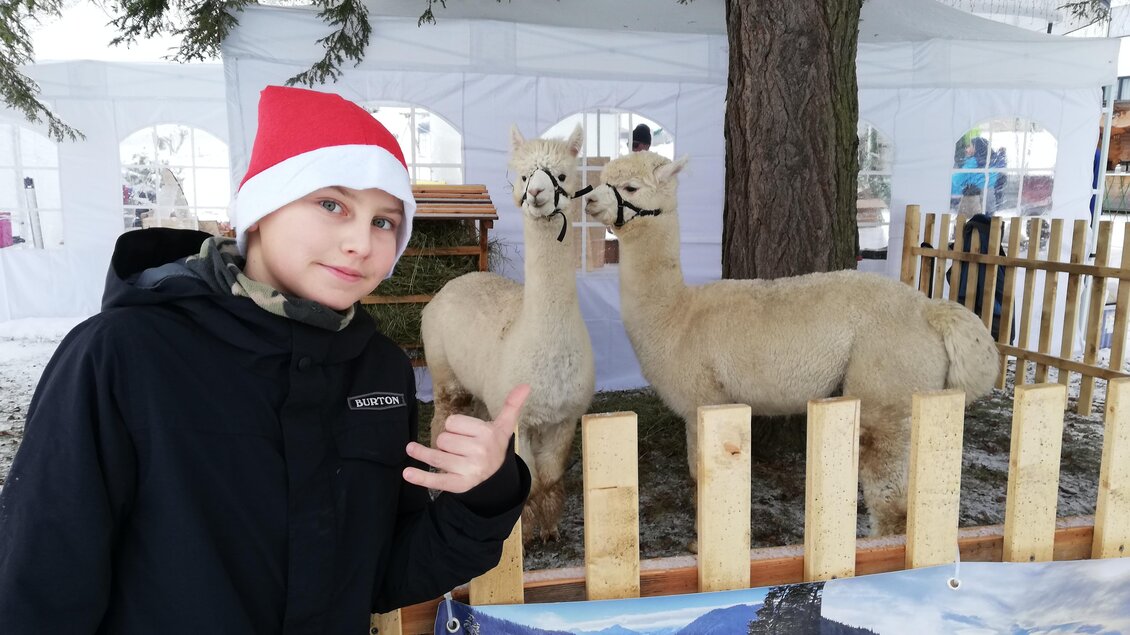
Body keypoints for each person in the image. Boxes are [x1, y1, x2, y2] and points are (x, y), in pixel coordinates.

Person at [0, 86, 531, 634]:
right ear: (260, 210)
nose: (361, 242)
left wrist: (490, 491)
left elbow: (382, 575)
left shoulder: (380, 370)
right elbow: (41, 583)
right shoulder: (122, 355)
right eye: (332, 205)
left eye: (384, 221)